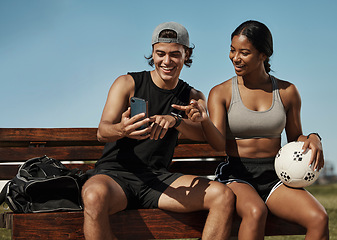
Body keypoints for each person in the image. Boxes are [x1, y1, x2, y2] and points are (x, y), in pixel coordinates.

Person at [174, 20, 329, 240]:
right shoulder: (221, 92)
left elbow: (295, 137)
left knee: (318, 218)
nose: (235, 58)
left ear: (263, 55)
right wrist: (205, 120)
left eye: (244, 52)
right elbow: (218, 144)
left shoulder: (287, 92)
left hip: (275, 176)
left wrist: (314, 137)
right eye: (232, 50)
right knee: (255, 212)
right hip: (237, 175)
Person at [81, 22, 235, 240]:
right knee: (93, 195)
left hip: (158, 181)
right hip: (115, 176)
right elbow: (102, 132)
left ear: (186, 54)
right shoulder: (127, 83)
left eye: (175, 54)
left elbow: (211, 140)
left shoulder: (193, 96)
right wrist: (122, 129)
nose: (166, 61)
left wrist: (177, 120)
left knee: (223, 196)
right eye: (160, 53)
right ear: (152, 53)